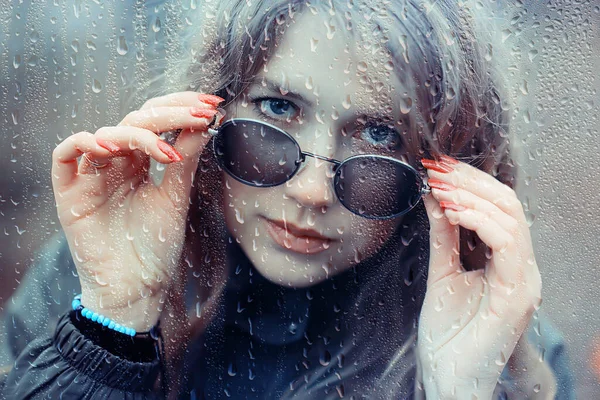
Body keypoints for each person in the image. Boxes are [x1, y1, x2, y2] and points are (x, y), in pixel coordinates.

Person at [0, 0, 575, 398]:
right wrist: (111, 329)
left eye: (378, 134)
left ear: (450, 164)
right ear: (211, 106)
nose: (310, 192)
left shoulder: (504, 346)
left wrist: (461, 391)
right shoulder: (87, 278)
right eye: (277, 109)